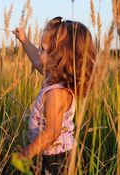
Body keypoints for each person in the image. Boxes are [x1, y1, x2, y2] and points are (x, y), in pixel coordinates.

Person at [12, 16, 96, 175]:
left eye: (44, 49)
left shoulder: (56, 93)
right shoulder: (54, 76)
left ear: (62, 56)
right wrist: (24, 40)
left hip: (58, 161)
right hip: (48, 153)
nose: (39, 53)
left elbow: (52, 133)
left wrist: (25, 155)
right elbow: (37, 61)